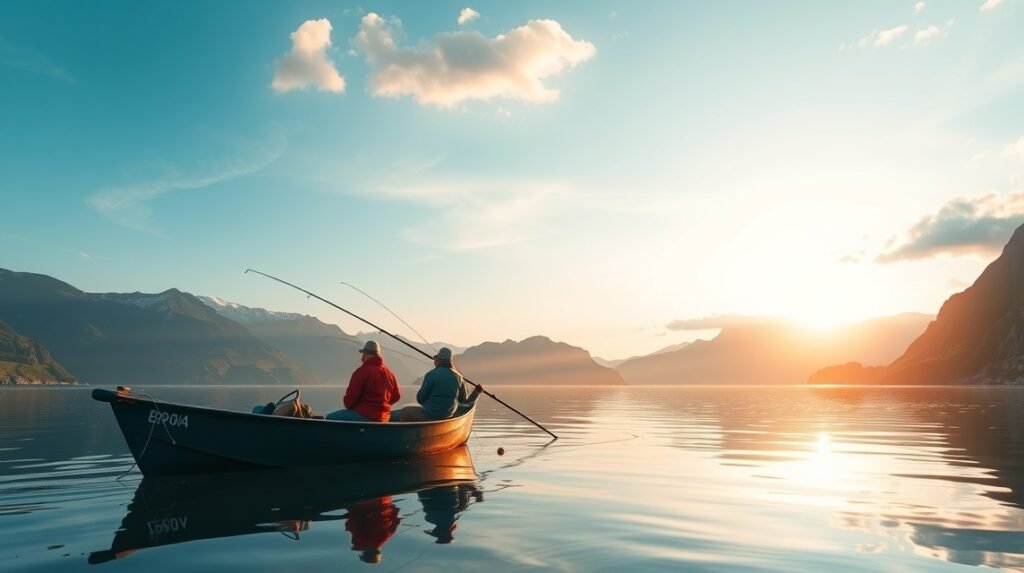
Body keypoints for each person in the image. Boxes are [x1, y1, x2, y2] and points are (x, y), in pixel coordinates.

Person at [397, 347, 481, 422]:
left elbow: (420, 399)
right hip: (448, 415)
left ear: (438, 360)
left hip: (430, 414)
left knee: (406, 411)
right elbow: (463, 401)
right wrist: (476, 392)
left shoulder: (430, 375)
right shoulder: (459, 377)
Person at [326, 341, 401, 422]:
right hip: (383, 418)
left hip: (364, 415)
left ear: (366, 354)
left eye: (363, 355)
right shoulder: (389, 373)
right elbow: (396, 396)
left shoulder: (361, 372)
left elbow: (350, 400)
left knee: (330, 418)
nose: (361, 358)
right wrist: (383, 406)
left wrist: (356, 408)